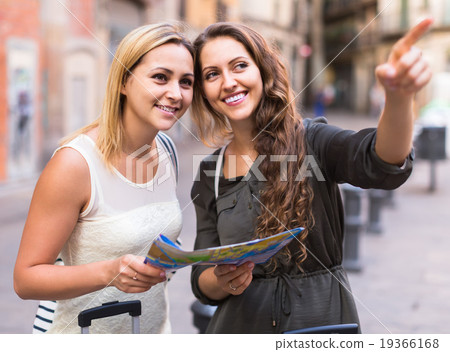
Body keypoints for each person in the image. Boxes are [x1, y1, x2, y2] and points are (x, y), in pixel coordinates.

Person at [189, 19, 433, 333]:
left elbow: (380, 160)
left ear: (263, 71)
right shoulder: (210, 171)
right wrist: (220, 279)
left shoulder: (313, 141)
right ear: (204, 91)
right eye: (212, 74)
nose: (228, 82)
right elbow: (201, 278)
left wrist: (399, 99)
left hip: (319, 327)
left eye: (239, 66)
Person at [13, 23, 194, 333]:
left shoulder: (167, 149)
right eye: (160, 77)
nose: (175, 93)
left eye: (186, 82)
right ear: (124, 81)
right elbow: (26, 279)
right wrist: (109, 272)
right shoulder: (75, 163)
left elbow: (155, 239)